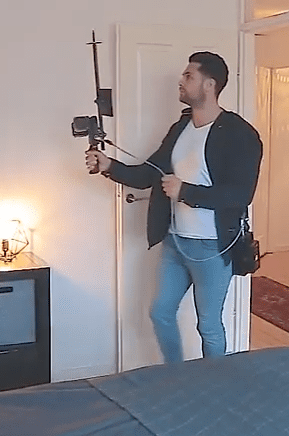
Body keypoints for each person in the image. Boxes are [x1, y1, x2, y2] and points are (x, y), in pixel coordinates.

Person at [85, 51, 262, 363]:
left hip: (213, 247)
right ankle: (177, 374)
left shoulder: (240, 134)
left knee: (208, 325)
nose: (181, 81)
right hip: (176, 242)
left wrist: (186, 191)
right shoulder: (181, 127)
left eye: (188, 76)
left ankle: (215, 382)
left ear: (209, 85)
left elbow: (240, 194)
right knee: (160, 312)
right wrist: (109, 165)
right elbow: (149, 173)